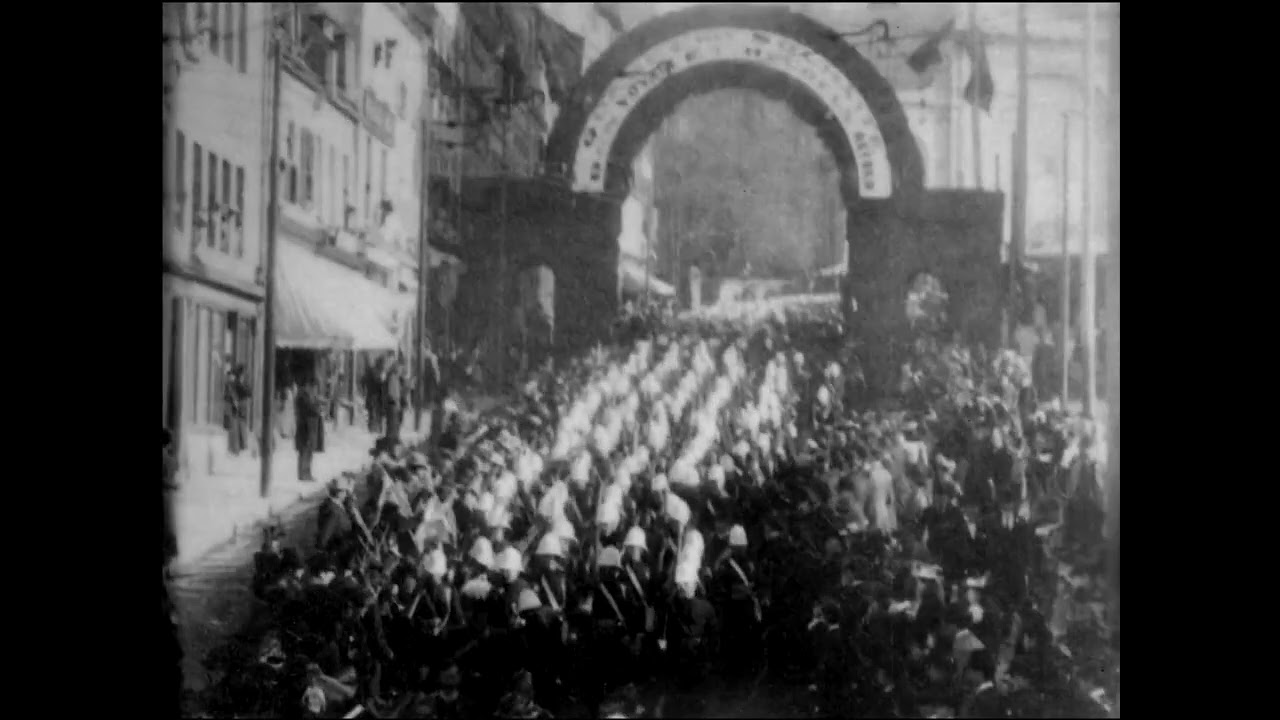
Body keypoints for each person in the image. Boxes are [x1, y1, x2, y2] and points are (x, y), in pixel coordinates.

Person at [295, 378, 325, 483]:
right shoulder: (303, 397)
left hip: (310, 427)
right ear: (308, 386)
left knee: (308, 450)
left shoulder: (309, 397)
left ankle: (306, 472)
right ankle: (304, 473)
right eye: (314, 387)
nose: (314, 390)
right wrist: (317, 409)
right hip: (305, 426)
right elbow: (308, 410)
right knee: (305, 450)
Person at [224, 364, 252, 456]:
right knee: (237, 427)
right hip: (237, 407)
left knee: (238, 427)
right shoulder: (236, 384)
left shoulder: (238, 383)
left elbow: (247, 392)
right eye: (243, 373)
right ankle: (236, 448)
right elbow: (245, 393)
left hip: (238, 407)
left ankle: (237, 448)